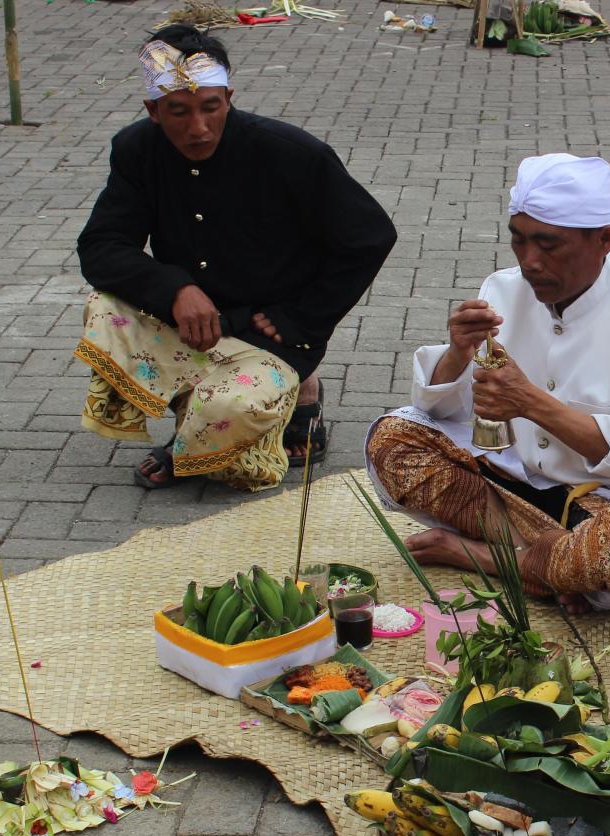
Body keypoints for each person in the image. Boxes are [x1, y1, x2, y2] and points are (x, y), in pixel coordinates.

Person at [366, 154, 610, 613]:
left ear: (605, 239)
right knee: (392, 438)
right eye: (519, 240)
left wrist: (531, 403)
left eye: (549, 245)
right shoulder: (503, 289)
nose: (530, 262)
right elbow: (444, 413)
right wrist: (457, 354)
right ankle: (546, 562)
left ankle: (484, 555)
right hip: (514, 487)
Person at [76, 25, 396, 491]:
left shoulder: (290, 152)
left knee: (231, 409)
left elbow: (371, 236)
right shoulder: (136, 149)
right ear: (153, 110)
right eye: (178, 112)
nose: (198, 128)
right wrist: (176, 289)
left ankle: (295, 395)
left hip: (272, 332)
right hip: (190, 324)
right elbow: (101, 245)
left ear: (228, 98)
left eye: (211, 107)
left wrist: (303, 319)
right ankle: (199, 416)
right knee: (104, 310)